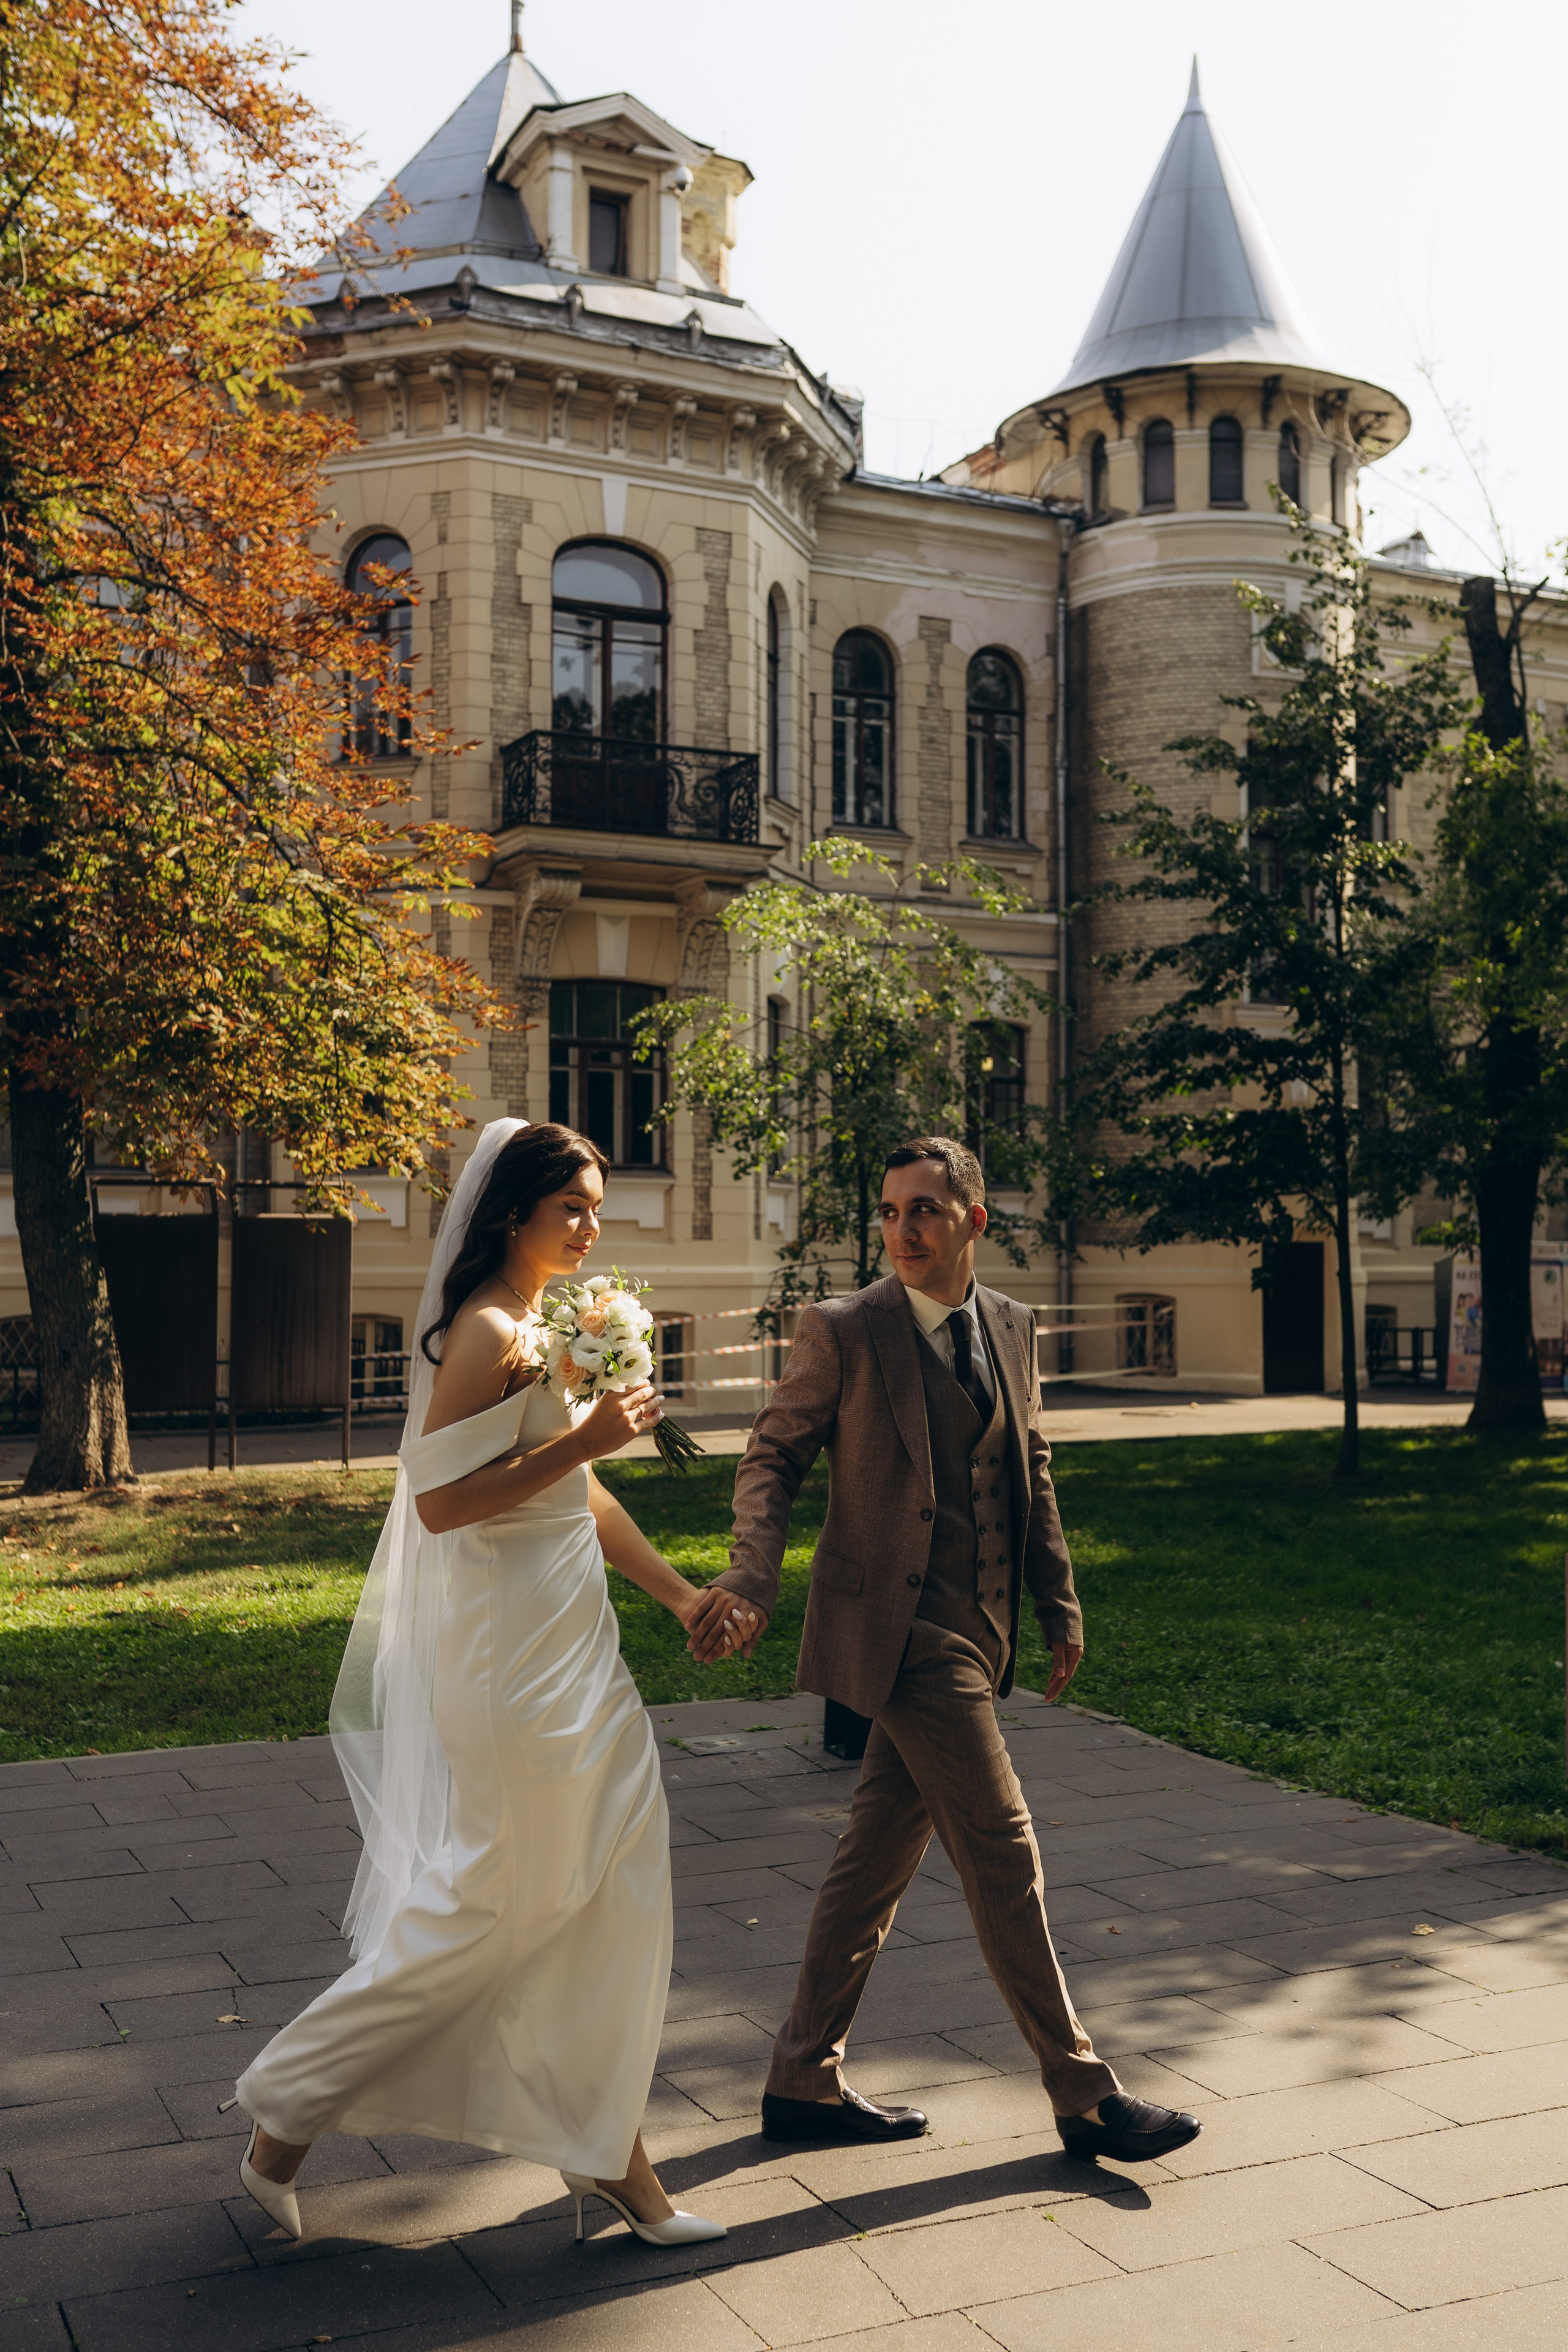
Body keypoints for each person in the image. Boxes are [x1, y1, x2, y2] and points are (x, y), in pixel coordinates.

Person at [232, 1121, 739, 2245]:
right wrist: (589, 1436)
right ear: (513, 1213)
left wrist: (681, 1595)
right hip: (504, 1665)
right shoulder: (486, 1332)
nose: (594, 1227)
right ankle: (287, 2099)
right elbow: (441, 1505)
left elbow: (576, 1501)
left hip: (573, 1642)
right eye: (575, 1209)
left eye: (598, 1206)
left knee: (606, 1886)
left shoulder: (552, 1325)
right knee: (487, 1908)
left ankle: (603, 2152)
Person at [686, 1136, 1201, 2167]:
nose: (903, 1229)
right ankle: (1081, 2089)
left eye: (924, 1209)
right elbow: (773, 1452)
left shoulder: (1010, 1324)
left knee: (873, 1857)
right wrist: (751, 1573)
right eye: (888, 1212)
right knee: (1004, 1847)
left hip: (982, 1619)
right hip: (899, 1628)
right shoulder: (844, 1330)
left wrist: (1059, 1597)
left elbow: (1031, 1468)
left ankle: (801, 2077)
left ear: (973, 1219)